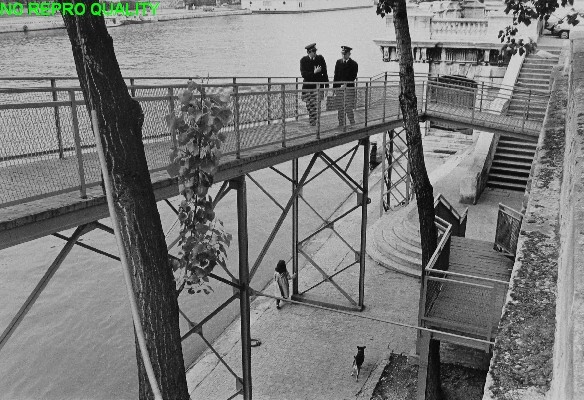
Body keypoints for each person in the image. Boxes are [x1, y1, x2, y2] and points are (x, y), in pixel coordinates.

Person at [300, 43, 329, 126]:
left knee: (316, 106)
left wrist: (326, 86)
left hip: (318, 87)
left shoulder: (320, 58)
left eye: (315, 51)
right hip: (308, 87)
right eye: (313, 51)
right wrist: (314, 72)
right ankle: (313, 121)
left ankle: (314, 123)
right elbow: (304, 74)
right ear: (308, 52)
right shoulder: (303, 60)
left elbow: (325, 73)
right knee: (309, 106)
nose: (315, 53)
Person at [333, 45, 358, 126]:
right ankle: (341, 123)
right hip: (339, 89)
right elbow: (336, 76)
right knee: (340, 107)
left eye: (345, 54)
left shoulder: (354, 64)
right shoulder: (338, 62)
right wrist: (334, 88)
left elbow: (353, 77)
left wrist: (345, 85)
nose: (343, 55)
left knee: (348, 107)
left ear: (349, 54)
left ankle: (352, 122)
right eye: (342, 54)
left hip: (349, 89)